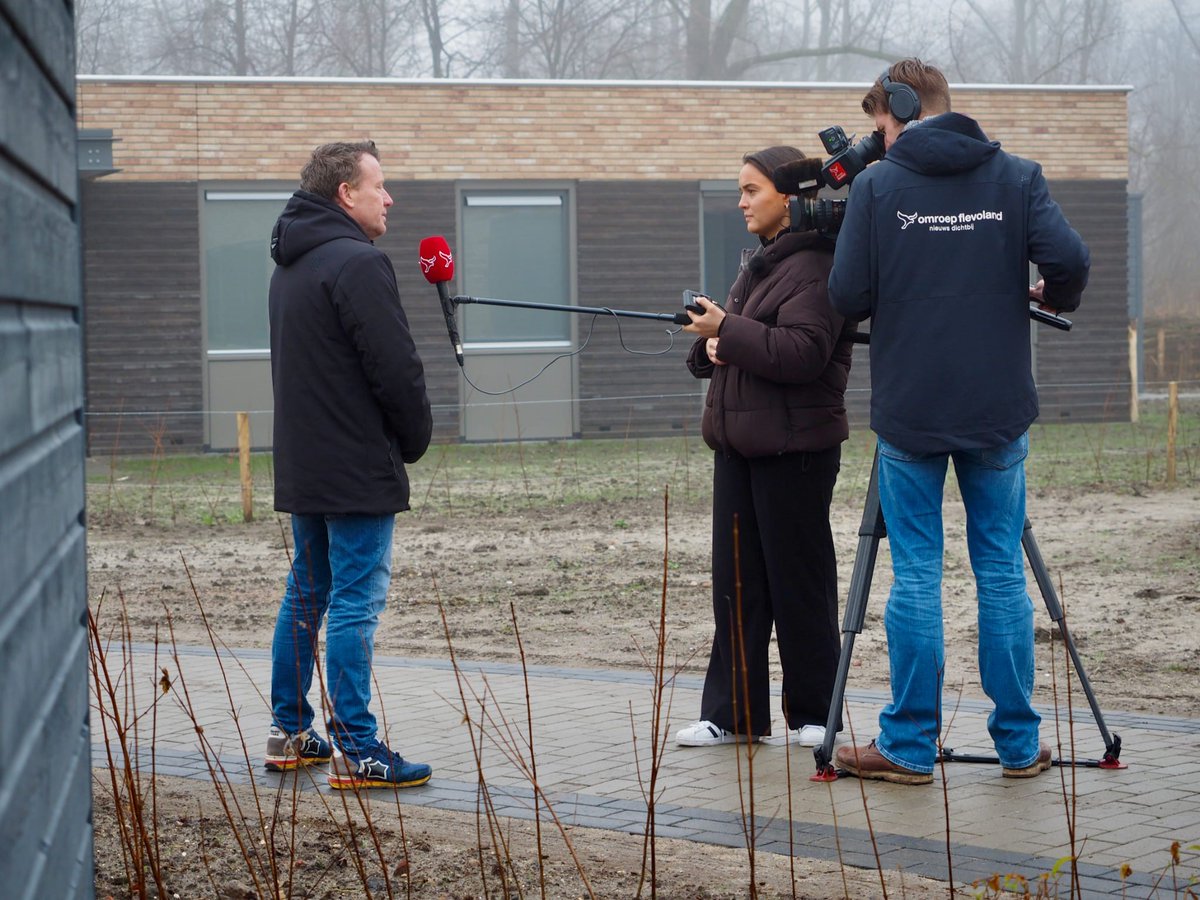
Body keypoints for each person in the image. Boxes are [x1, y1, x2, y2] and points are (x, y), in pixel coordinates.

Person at [827, 59, 1090, 784]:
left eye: (879, 123)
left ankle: (908, 748)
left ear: (901, 108)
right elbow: (1068, 259)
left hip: (912, 413)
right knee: (1001, 571)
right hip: (997, 410)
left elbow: (846, 292)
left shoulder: (878, 188)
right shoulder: (1016, 177)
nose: (875, 140)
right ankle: (1016, 744)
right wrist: (1052, 295)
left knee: (916, 575)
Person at [264, 141, 435, 790]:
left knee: (306, 593)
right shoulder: (359, 264)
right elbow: (395, 368)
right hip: (356, 465)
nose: (389, 198)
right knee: (356, 604)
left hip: (307, 465)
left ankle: (289, 732)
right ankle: (358, 749)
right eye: (379, 186)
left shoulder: (291, 266)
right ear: (345, 193)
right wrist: (415, 436)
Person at [676, 145, 855, 749]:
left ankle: (811, 716)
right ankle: (731, 716)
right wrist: (709, 344)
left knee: (798, 585)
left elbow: (801, 352)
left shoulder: (822, 266)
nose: (742, 201)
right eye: (741, 190)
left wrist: (727, 329)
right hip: (738, 450)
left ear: (790, 197)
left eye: (752, 190)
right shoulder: (761, 264)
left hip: (795, 453)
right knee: (736, 586)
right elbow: (740, 341)